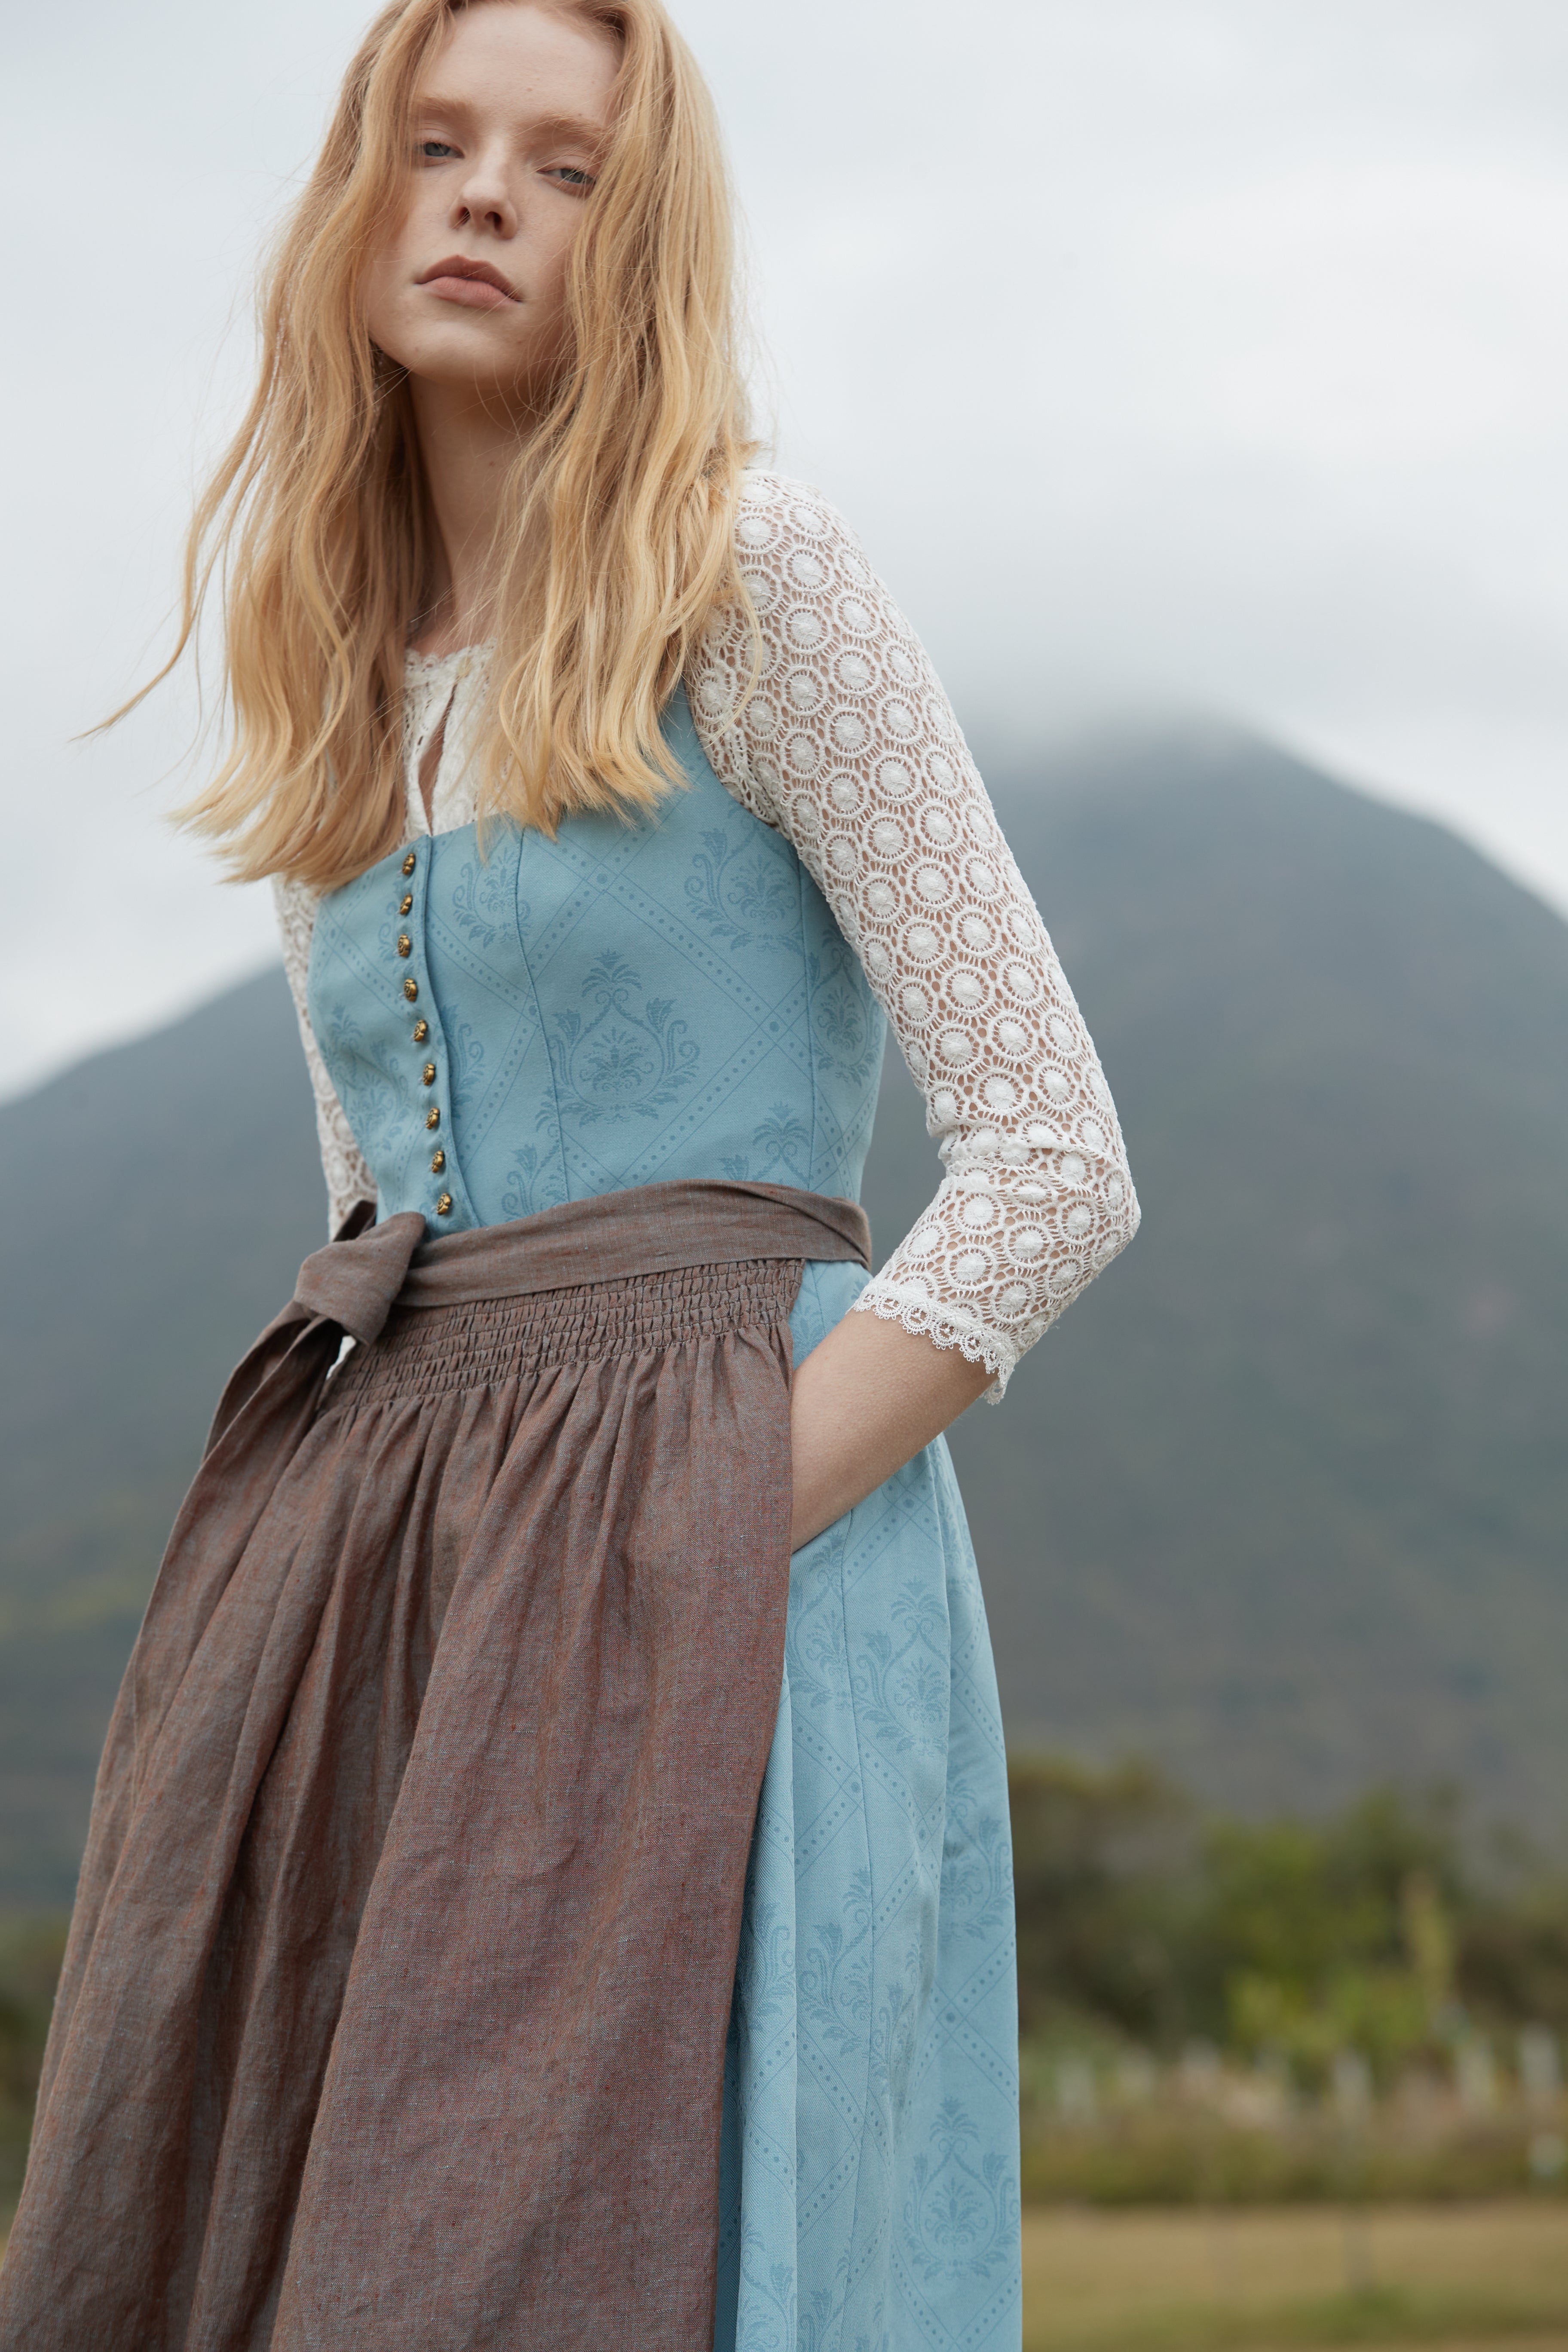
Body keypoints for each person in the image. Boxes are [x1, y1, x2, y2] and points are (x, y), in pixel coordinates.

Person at [0, 3, 1139, 2345]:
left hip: (725, 1550)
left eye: (567, 167)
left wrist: (703, 1530)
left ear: (640, 244)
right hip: (401, 1567)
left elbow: (1054, 1158)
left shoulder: (755, 571)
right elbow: (373, 1219)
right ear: (356, 201)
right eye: (435, 145)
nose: (489, 197)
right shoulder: (331, 656)